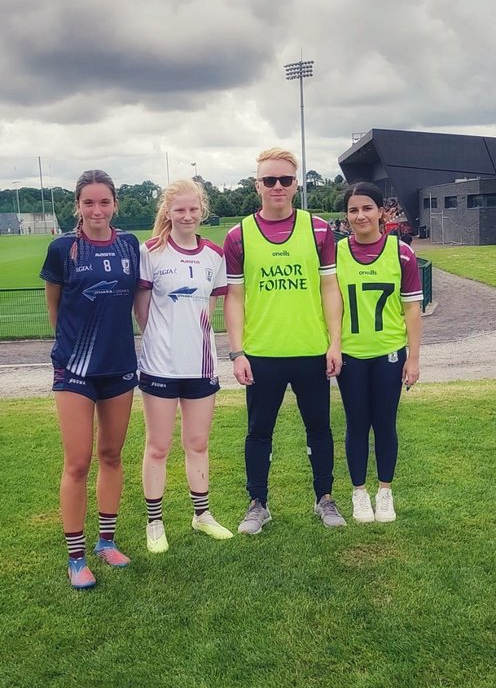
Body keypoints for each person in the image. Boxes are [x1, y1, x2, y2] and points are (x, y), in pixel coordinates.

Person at [223, 147, 346, 533]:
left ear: (296, 185)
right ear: (257, 185)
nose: (277, 186)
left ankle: (324, 498)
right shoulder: (238, 235)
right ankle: (257, 503)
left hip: (311, 350)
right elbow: (235, 297)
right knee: (259, 432)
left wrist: (334, 342)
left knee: (320, 428)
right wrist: (238, 352)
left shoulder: (319, 229)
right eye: (269, 180)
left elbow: (330, 288)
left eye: (285, 180)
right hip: (262, 354)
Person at [40, 170, 139, 589]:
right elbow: (55, 308)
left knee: (112, 455)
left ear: (115, 204)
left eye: (104, 202)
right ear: (77, 206)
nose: (96, 210)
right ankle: (76, 557)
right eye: (88, 202)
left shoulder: (129, 244)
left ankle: (107, 541)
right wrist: (71, 350)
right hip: (75, 370)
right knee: (78, 461)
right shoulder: (64, 248)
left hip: (119, 366)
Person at [134, 179, 232, 549]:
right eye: (179, 210)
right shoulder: (152, 252)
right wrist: (162, 338)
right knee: (158, 446)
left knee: (197, 442)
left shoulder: (214, 255)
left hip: (201, 367)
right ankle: (155, 522)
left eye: (193, 210)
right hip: (159, 366)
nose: (187, 216)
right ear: (168, 213)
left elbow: (210, 309)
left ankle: (201, 515)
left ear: (201, 211)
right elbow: (142, 310)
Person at [336, 182, 422, 523]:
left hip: (389, 351)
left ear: (381, 212)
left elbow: (412, 310)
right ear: (346, 216)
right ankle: (359, 493)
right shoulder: (337, 254)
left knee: (385, 423)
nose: (361, 216)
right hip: (350, 354)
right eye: (354, 210)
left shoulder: (401, 253)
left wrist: (413, 358)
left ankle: (385, 492)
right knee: (356, 423)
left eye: (367, 208)